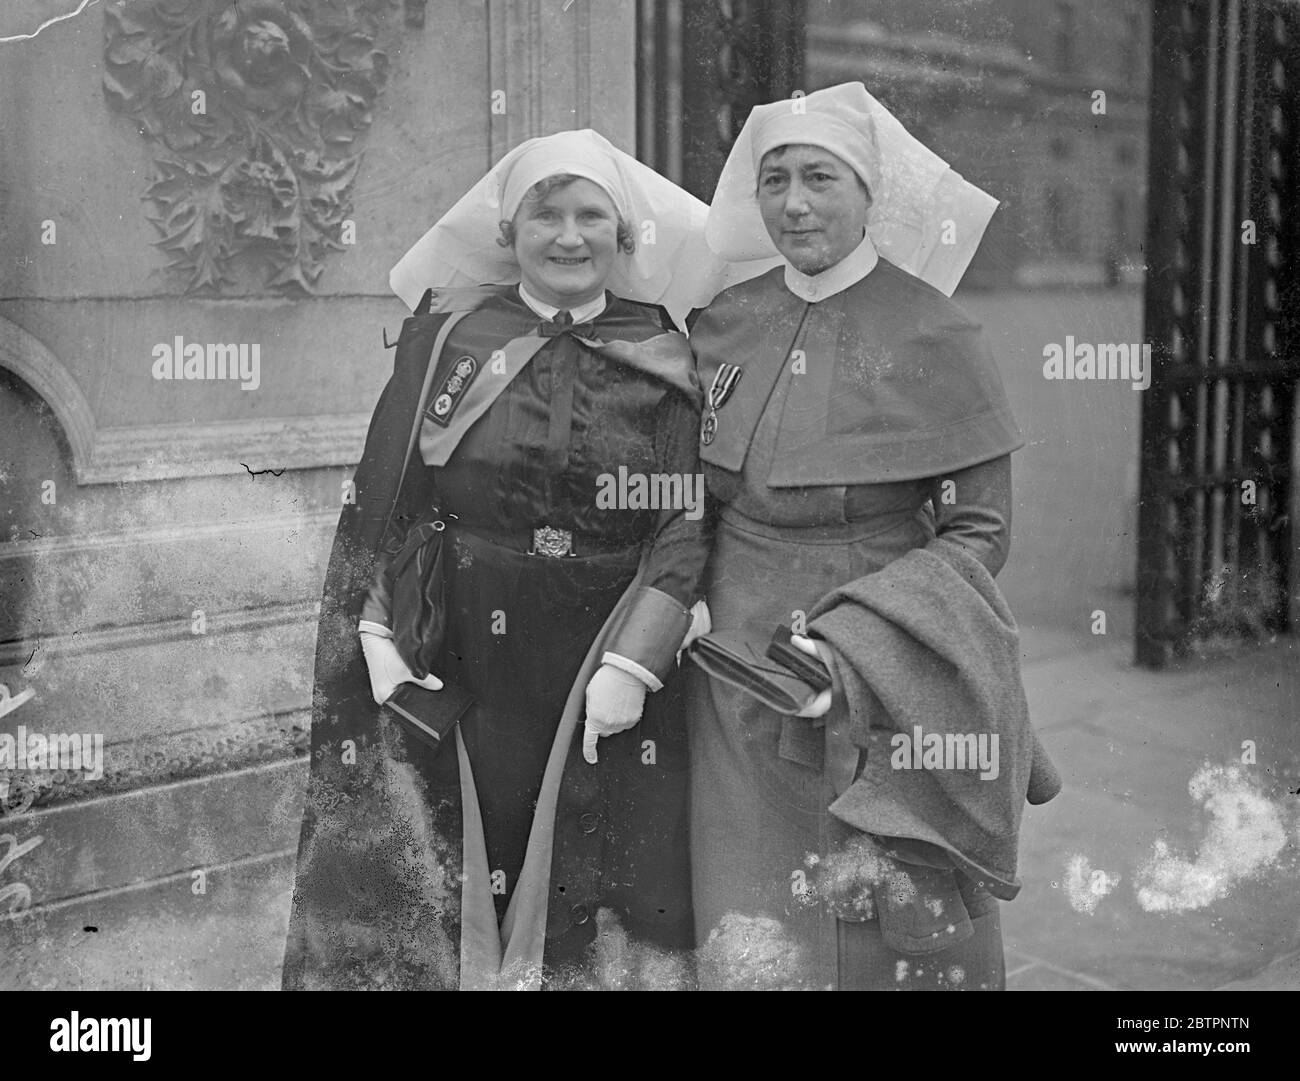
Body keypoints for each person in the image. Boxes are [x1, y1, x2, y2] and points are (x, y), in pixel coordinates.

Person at [282, 129, 713, 991]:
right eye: (545, 214)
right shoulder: (451, 340)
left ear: (623, 239)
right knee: (443, 849)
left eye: (591, 216)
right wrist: (379, 626)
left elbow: (681, 519)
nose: (568, 235)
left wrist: (637, 659)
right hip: (463, 634)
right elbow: (394, 495)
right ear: (508, 232)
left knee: (585, 874)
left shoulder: (664, 352)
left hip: (599, 641)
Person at [686, 82, 1058, 991]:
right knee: (750, 892)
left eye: (820, 177)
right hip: (733, 656)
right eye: (775, 179)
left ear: (868, 194)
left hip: (883, 658)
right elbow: (688, 494)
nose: (796, 202)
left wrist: (854, 652)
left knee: (883, 909)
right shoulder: (724, 318)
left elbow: (977, 531)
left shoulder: (934, 326)